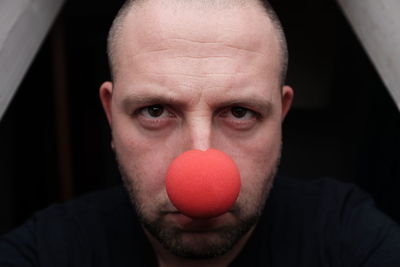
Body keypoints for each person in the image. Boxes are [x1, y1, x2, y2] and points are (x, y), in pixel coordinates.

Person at [1, 0, 400, 266]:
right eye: (154, 111)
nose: (200, 171)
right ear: (110, 115)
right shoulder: (46, 250)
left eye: (240, 112)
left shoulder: (349, 237)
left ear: (281, 116)